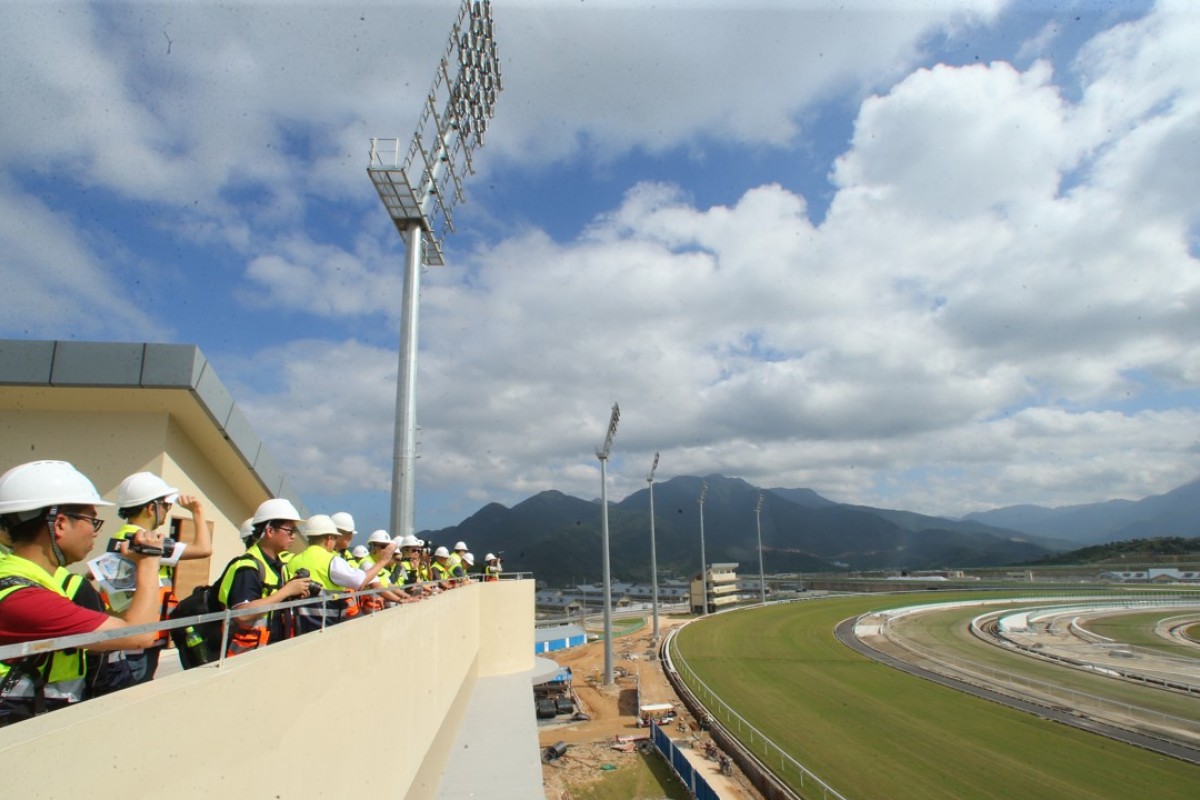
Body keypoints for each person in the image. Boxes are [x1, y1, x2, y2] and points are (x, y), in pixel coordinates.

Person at [0, 460, 165, 725]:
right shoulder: (23, 598)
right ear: (61, 524)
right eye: (92, 520)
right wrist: (148, 561)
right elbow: (138, 636)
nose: (95, 532)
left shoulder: (37, 580)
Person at [105, 472, 213, 686]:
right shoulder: (147, 542)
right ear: (150, 507)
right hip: (139, 642)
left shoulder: (120, 536)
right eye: (165, 504)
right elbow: (204, 548)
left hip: (127, 636)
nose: (167, 510)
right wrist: (197, 512)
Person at [211, 498, 312, 657]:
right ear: (270, 531)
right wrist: (286, 592)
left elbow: (271, 602)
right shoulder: (247, 567)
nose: (293, 537)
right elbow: (242, 614)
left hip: (269, 651)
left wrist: (291, 595)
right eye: (290, 531)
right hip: (247, 657)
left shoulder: (277, 566)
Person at [287, 515, 396, 634]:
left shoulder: (293, 561)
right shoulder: (331, 560)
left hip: (299, 630)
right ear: (329, 538)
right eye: (335, 537)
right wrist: (382, 561)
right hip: (326, 627)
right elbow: (359, 581)